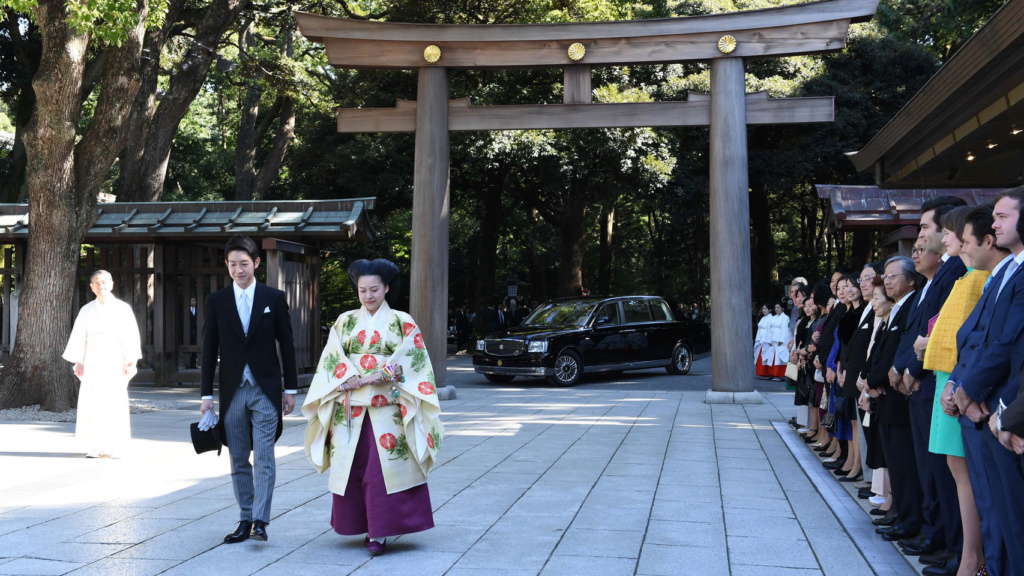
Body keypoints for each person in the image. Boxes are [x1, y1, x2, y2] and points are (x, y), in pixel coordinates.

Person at [302, 259, 443, 557]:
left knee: (381, 471)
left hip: (387, 409)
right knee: (354, 467)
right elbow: (333, 356)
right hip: (351, 409)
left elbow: (413, 357)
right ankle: (359, 524)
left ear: (387, 288)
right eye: (363, 290)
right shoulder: (345, 321)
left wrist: (386, 372)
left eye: (374, 289)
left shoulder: (402, 321)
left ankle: (378, 531)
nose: (368, 296)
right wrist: (344, 375)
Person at [200, 235, 298, 544]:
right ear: (226, 265)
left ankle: (260, 520)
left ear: (256, 263)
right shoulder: (217, 301)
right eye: (232, 264)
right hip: (232, 391)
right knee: (239, 458)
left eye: (244, 263)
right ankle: (244, 518)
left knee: (265, 457)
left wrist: (291, 388)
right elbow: (208, 349)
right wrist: (206, 396)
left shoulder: (273, 298)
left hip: (265, 389)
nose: (238, 270)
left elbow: (288, 344)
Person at [950, 188, 1024, 575]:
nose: (994, 225)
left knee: (1011, 518)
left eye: (1002, 217)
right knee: (994, 507)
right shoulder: (1006, 271)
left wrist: (973, 394)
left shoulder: (1018, 272)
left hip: (1000, 406)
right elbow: (972, 337)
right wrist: (959, 387)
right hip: (981, 402)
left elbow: (1008, 345)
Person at [916, 205, 989, 576]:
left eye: (947, 232)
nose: (943, 239)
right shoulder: (965, 277)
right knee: (955, 467)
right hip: (946, 375)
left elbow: (970, 337)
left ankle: (971, 558)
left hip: (956, 377)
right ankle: (968, 556)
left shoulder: (975, 277)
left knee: (963, 471)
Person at [867, 257, 923, 544]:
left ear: (911, 280)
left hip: (898, 395)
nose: (887, 281)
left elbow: (895, 353)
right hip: (886, 394)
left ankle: (910, 519)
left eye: (893, 276)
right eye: (885, 277)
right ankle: (902, 514)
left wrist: (874, 381)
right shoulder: (898, 307)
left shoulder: (912, 304)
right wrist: (869, 382)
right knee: (895, 461)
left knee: (904, 463)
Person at [62, 270, 142, 459]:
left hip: (116, 360)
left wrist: (130, 360)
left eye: (104, 282)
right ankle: (95, 445)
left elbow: (130, 336)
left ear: (112, 284)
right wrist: (78, 361)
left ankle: (116, 445)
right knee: (93, 402)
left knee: (115, 401)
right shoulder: (87, 310)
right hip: (93, 361)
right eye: (97, 283)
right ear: (91, 287)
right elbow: (79, 337)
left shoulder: (123, 309)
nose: (101, 286)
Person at [767, 303, 790, 381]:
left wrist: (782, 339)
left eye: (778, 307)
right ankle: (772, 373)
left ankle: (780, 374)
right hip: (773, 339)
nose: (776, 309)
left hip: (780, 340)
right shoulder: (773, 318)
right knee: (772, 356)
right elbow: (769, 329)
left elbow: (785, 329)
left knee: (779, 357)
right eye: (775, 307)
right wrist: (769, 339)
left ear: (782, 308)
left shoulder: (785, 318)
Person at [754, 304, 772, 378]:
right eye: (763, 309)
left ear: (769, 310)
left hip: (766, 338)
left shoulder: (771, 318)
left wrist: (769, 339)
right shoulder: (763, 318)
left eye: (765, 309)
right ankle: (761, 372)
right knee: (759, 354)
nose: (763, 310)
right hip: (760, 337)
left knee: (766, 355)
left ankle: (767, 372)